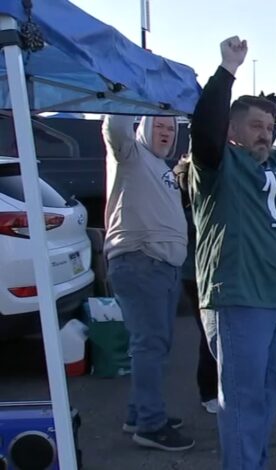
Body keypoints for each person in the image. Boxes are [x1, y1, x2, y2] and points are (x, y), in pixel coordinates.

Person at [189, 36, 276, 469]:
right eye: (255, 126)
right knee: (242, 401)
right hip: (237, 298)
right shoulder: (215, 165)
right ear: (233, 131)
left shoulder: (275, 163)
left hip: (274, 300)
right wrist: (227, 71)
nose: (265, 133)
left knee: (268, 395)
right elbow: (204, 130)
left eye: (270, 127)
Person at [102, 113, 193, 451]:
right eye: (160, 127)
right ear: (143, 129)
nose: (166, 133)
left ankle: (138, 414)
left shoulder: (161, 167)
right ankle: (151, 426)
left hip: (163, 268)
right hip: (141, 263)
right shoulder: (130, 155)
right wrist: (125, 93)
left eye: (171, 128)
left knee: (155, 346)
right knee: (149, 346)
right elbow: (114, 128)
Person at [172, 155, 219, 415]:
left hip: (215, 268)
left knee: (218, 333)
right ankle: (208, 392)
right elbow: (188, 224)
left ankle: (217, 388)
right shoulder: (183, 179)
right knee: (209, 332)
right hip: (195, 271)